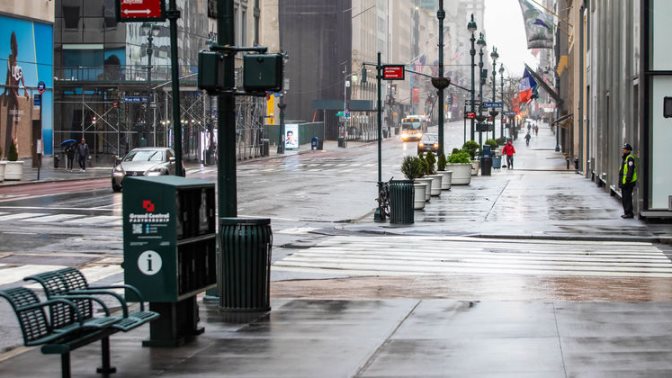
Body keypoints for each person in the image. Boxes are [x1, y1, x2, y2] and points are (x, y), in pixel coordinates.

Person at [2, 32, 30, 156]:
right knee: (17, 104)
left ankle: (15, 133)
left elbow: (22, 80)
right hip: (12, 88)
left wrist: (26, 90)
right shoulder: (10, 65)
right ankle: (15, 134)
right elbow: (8, 78)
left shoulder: (18, 68)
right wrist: (5, 90)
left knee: (18, 105)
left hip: (16, 88)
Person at [618, 143, 637, 219]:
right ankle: (626, 212)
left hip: (628, 182)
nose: (623, 150)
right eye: (623, 149)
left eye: (625, 149)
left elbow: (630, 171)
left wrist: (627, 181)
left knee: (627, 198)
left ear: (628, 150)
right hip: (624, 182)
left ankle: (629, 213)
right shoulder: (625, 158)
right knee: (625, 198)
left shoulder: (630, 158)